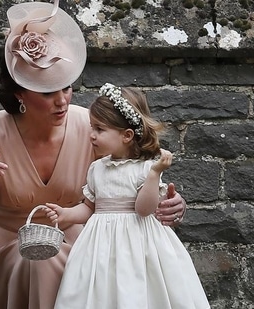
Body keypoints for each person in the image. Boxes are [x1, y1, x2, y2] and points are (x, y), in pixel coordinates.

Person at [0, 1, 188, 308]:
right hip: (14, 251)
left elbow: (134, 180)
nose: (61, 101)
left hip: (87, 249)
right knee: (41, 260)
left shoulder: (91, 127)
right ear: (20, 93)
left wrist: (171, 204)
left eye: (66, 88)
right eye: (48, 93)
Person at [44, 83, 210, 309]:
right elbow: (90, 207)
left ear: (127, 135)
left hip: (139, 244)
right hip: (99, 247)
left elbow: (144, 209)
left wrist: (154, 174)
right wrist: (66, 214)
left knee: (138, 291)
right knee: (101, 291)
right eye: (92, 127)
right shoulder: (97, 169)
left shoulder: (145, 169)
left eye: (100, 129)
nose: (91, 135)